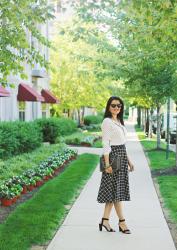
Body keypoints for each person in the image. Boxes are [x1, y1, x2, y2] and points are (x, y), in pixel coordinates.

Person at [97, 96, 134, 234]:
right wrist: (107, 164)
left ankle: (105, 220)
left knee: (114, 192)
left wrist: (129, 161)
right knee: (116, 193)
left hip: (121, 157)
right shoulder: (107, 122)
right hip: (113, 158)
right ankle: (122, 223)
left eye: (119, 105)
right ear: (108, 107)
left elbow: (122, 144)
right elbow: (105, 143)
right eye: (113, 105)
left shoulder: (118, 121)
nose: (116, 108)